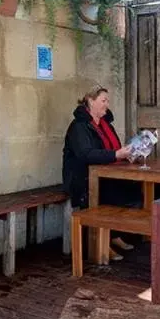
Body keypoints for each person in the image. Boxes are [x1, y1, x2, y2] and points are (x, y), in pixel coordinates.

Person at [62, 87, 136, 259]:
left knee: (125, 187)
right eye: (103, 100)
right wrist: (116, 155)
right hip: (81, 177)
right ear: (90, 101)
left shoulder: (105, 124)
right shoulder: (78, 127)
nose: (107, 104)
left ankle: (114, 235)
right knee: (108, 192)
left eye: (107, 101)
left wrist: (125, 156)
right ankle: (101, 244)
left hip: (103, 173)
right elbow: (86, 154)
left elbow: (114, 149)